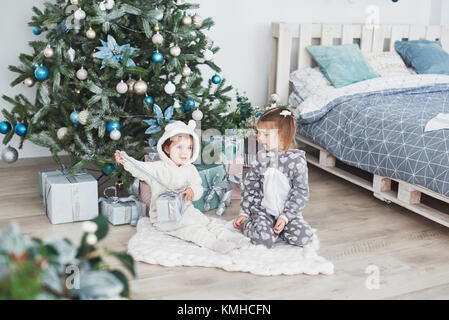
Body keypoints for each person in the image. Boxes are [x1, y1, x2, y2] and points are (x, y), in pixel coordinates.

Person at [115, 120, 248, 254]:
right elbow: (139, 168)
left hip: (187, 209)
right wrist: (126, 160)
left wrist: (192, 191)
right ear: (166, 148)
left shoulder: (190, 169)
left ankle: (228, 236)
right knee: (190, 227)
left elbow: (198, 187)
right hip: (165, 216)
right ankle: (212, 243)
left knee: (205, 221)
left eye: (189, 147)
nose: (184, 152)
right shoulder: (157, 168)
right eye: (179, 147)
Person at [233, 107, 314, 248]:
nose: (259, 138)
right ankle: (251, 225)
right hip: (263, 210)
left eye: (266, 135)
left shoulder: (296, 161)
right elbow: (250, 186)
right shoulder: (262, 158)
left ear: (283, 135)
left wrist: (285, 217)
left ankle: (281, 229)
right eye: (259, 133)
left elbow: (300, 192)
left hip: (287, 214)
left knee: (305, 238)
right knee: (264, 241)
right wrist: (244, 213)